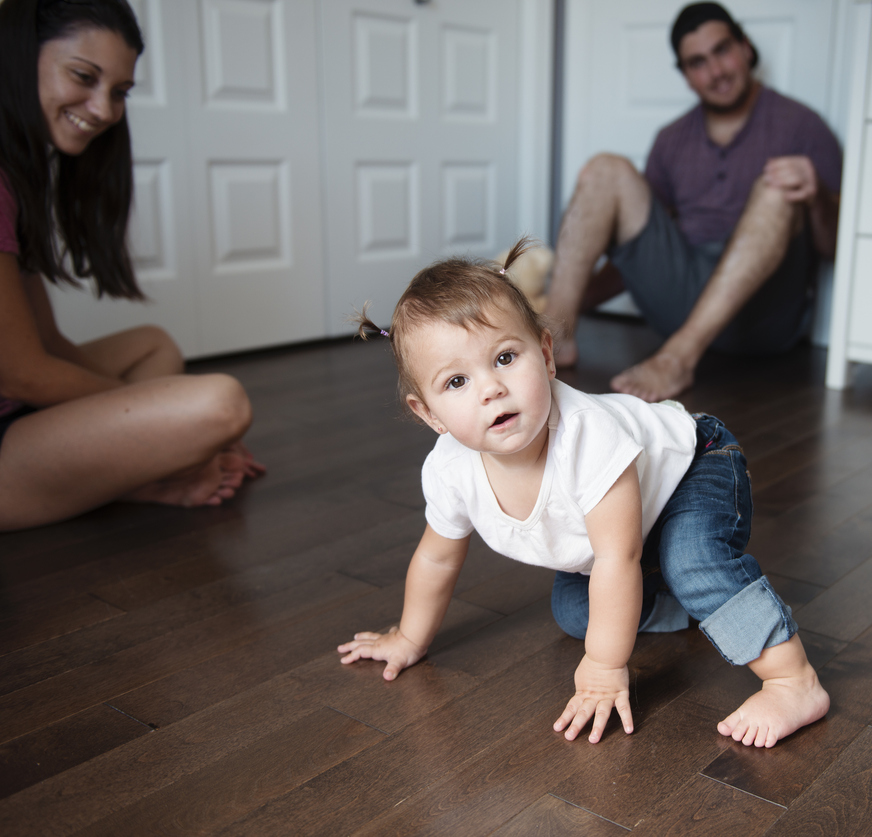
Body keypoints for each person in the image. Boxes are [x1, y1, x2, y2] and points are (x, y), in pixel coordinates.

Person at [337, 239, 829, 748]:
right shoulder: (449, 470)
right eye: (457, 381)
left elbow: (618, 557)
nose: (491, 388)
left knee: (692, 561)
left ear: (546, 355)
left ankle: (793, 680)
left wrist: (603, 665)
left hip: (695, 465)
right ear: (429, 414)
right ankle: (699, 604)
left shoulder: (587, 436)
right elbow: (437, 560)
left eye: (505, 357)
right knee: (577, 615)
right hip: (629, 527)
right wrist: (409, 638)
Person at [0, 0, 264, 535]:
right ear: (21, 55)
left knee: (154, 345)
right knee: (220, 404)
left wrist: (160, 423)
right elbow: (21, 374)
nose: (102, 109)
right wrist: (175, 426)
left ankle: (142, 475)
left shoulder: (5, 158)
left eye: (119, 92)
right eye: (83, 76)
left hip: (3, 413)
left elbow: (47, 345)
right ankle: (154, 479)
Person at [545, 2, 842, 403]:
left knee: (776, 189)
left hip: (764, 314)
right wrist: (567, 302)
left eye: (723, 50)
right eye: (698, 62)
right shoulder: (671, 140)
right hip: (683, 296)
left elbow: (834, 248)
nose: (716, 71)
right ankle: (554, 336)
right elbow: (638, 251)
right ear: (686, 76)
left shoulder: (804, 126)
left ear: (746, 47)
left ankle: (678, 359)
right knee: (604, 169)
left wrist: (818, 196)